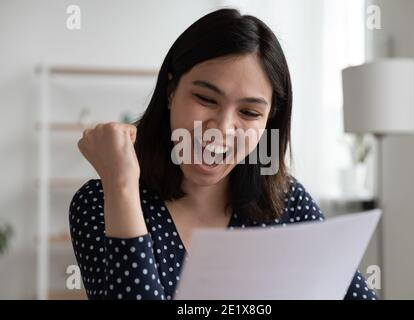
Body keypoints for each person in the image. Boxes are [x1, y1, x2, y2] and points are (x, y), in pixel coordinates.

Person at [69, 8, 377, 300]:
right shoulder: (100, 202)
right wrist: (122, 186)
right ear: (171, 90)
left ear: (268, 121)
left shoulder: (286, 202)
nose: (223, 127)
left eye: (249, 112)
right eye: (205, 98)